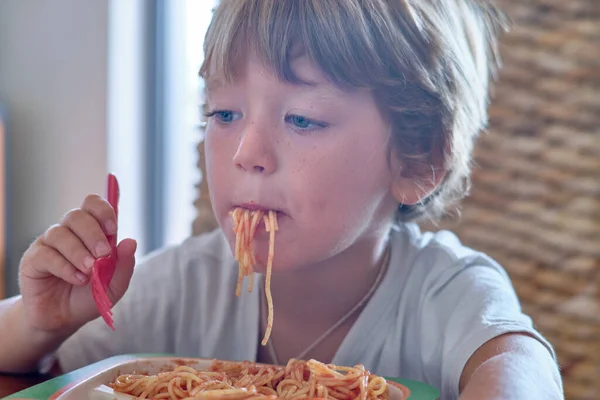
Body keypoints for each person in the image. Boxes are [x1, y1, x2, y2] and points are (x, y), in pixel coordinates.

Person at [0, 1, 563, 399]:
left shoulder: (445, 292)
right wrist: (42, 321)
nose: (247, 151)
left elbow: (522, 367)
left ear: (417, 161)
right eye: (224, 114)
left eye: (303, 118)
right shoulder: (187, 283)